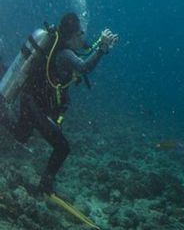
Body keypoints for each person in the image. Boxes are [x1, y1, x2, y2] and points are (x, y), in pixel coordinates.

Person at [0, 12, 118, 195]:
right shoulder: (64, 54)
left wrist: (101, 45)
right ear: (71, 37)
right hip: (33, 102)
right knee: (62, 147)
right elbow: (84, 67)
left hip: (30, 97)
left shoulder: (63, 45)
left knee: (21, 134)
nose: (84, 35)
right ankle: (45, 186)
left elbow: (86, 50)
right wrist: (102, 49)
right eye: (80, 33)